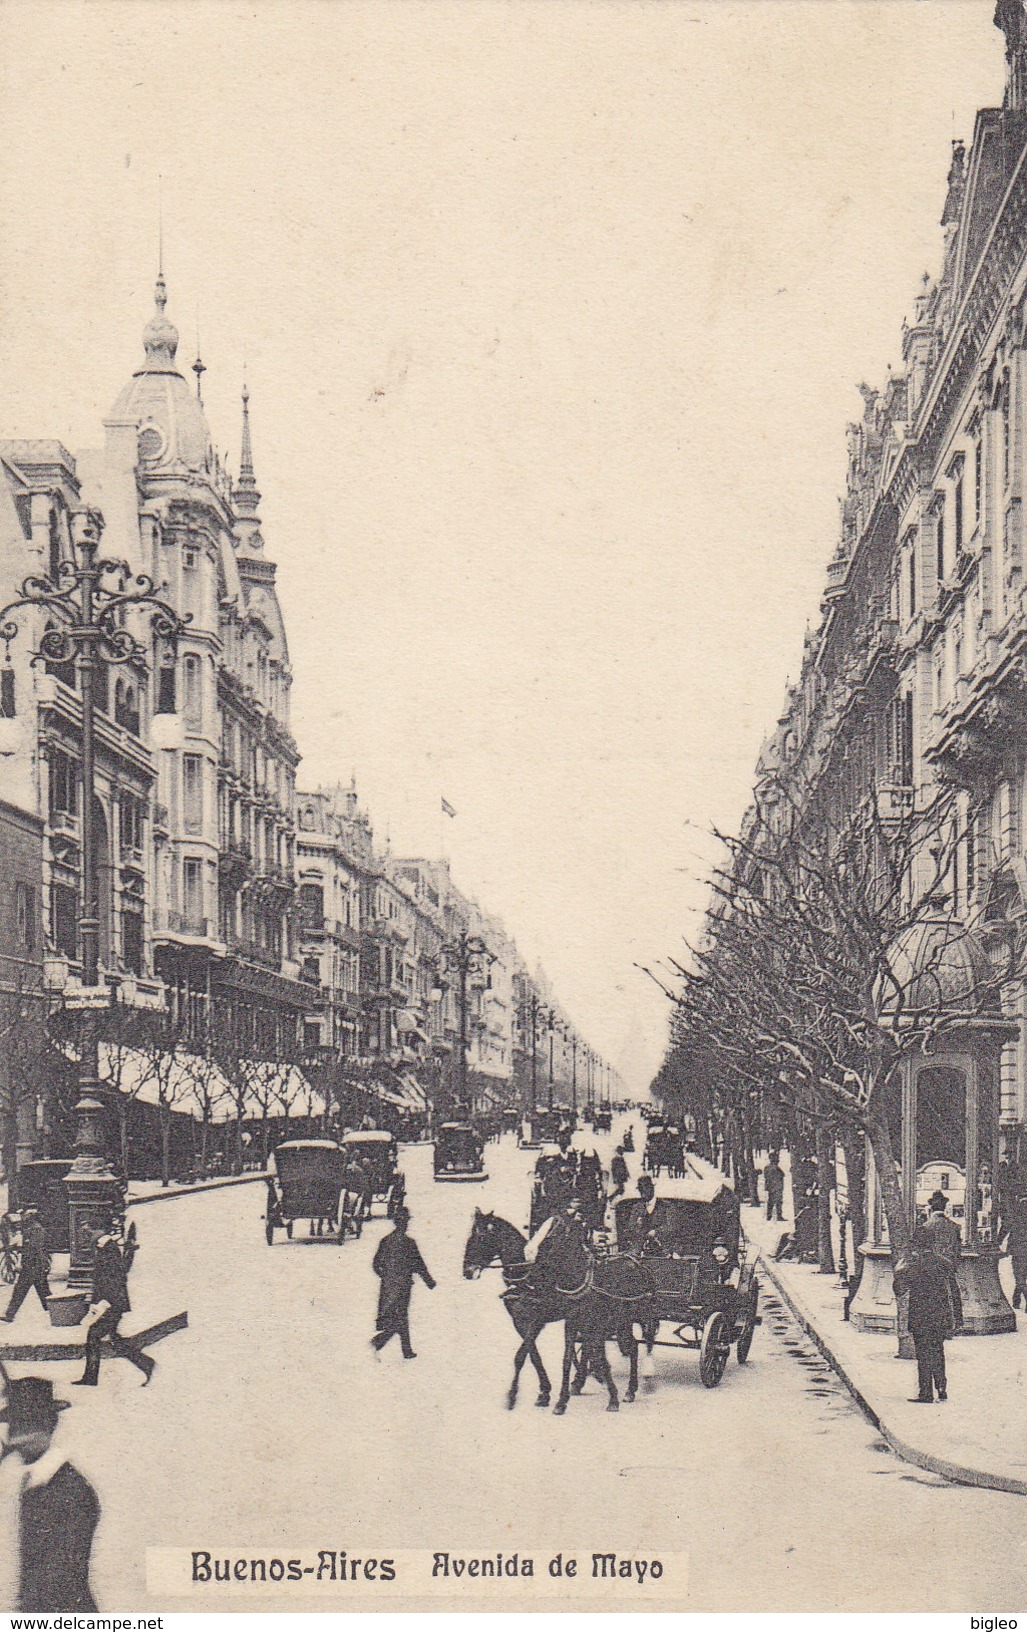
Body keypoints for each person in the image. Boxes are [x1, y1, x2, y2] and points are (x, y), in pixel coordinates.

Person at [0, 1377, 99, 1610]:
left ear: (45, 1428)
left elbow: (59, 1578)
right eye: (13, 1427)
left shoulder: (69, 1489)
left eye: (23, 1428)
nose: (15, 1439)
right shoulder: (38, 1482)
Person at [73, 1220, 155, 1388]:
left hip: (111, 1303)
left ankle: (91, 1377)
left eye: (89, 1232)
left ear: (99, 1230)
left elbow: (114, 1278)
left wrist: (104, 1303)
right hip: (111, 1302)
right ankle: (145, 1363)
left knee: (94, 1336)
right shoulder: (105, 1248)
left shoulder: (108, 1249)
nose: (86, 1235)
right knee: (113, 1340)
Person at [893, 1244, 959, 1403]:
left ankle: (926, 1392)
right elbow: (954, 1290)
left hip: (920, 1317)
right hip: (940, 1316)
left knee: (923, 1355)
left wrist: (898, 1271)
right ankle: (942, 1387)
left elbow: (900, 1290)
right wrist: (956, 1317)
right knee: (938, 1351)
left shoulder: (913, 1266)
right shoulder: (944, 1263)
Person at [371, 1207, 435, 1358]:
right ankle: (379, 1341)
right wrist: (429, 1281)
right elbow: (419, 1264)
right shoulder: (409, 1243)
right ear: (404, 1223)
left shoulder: (385, 1241)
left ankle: (406, 1350)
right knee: (400, 1317)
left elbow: (376, 1263)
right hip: (404, 1286)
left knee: (399, 1316)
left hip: (388, 1286)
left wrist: (386, 1276)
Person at [2, 1208, 51, 1324]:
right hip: (32, 1266)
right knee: (42, 1292)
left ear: (30, 1216)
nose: (21, 1218)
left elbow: (36, 1250)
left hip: (34, 1266)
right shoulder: (29, 1229)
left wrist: (41, 1266)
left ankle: (10, 1314)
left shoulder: (36, 1230)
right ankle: (10, 1314)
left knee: (23, 1290)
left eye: (23, 1215)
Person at [1003, 1193, 1027, 1310]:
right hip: (1021, 1251)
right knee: (1022, 1277)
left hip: (1018, 1251)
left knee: (1020, 1277)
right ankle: (1016, 1300)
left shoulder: (1016, 1215)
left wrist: (996, 1242)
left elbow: (1005, 1229)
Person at [764, 1152, 785, 1222]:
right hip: (777, 1187)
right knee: (778, 1201)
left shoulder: (767, 1167)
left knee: (770, 1201)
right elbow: (781, 1175)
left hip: (771, 1187)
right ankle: (779, 1216)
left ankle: (769, 1216)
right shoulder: (776, 1168)